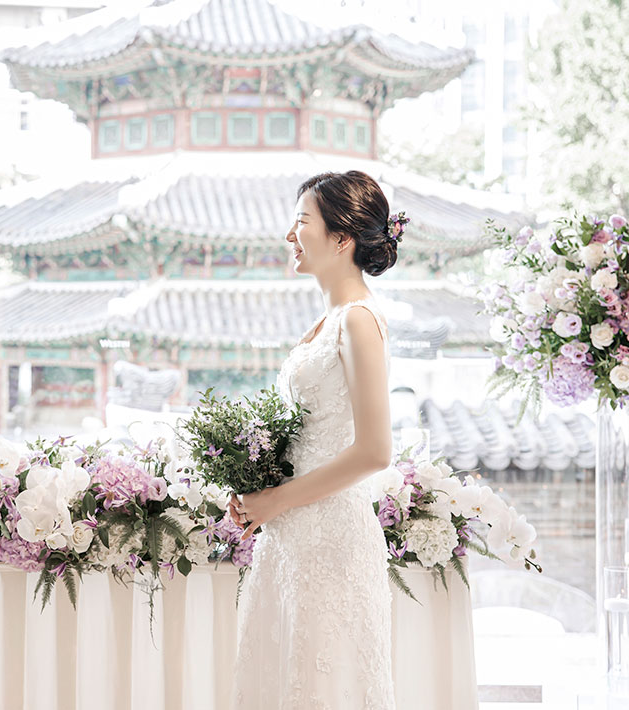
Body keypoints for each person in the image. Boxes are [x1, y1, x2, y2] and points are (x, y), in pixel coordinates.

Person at [229, 170, 401, 708]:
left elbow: (375, 450)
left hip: (330, 541)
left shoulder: (359, 320)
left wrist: (276, 499)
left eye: (302, 222)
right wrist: (258, 488)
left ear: (342, 238)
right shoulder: (329, 320)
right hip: (291, 539)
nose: (290, 235)